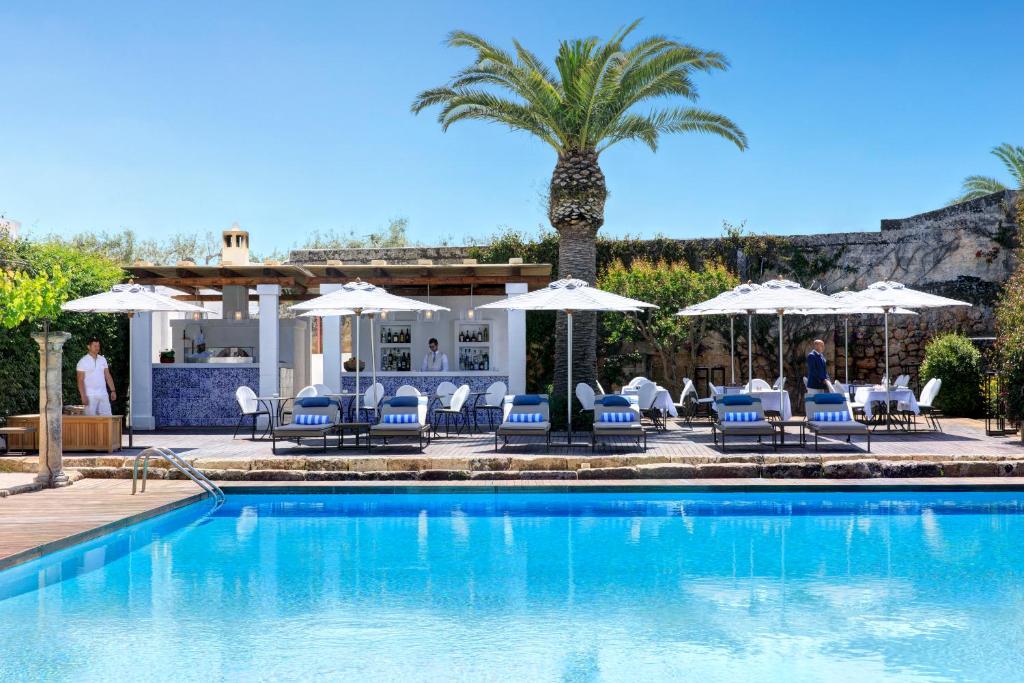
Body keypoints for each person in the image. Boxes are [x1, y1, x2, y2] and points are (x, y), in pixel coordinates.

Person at [77, 337, 116, 416]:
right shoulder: (82, 361)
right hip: (89, 395)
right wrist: (83, 396)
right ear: (88, 346)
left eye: (98, 346)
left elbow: (107, 376)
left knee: (107, 419)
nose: (97, 348)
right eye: (95, 346)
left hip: (103, 394)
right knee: (90, 421)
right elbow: (80, 380)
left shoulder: (103, 359)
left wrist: (113, 390)